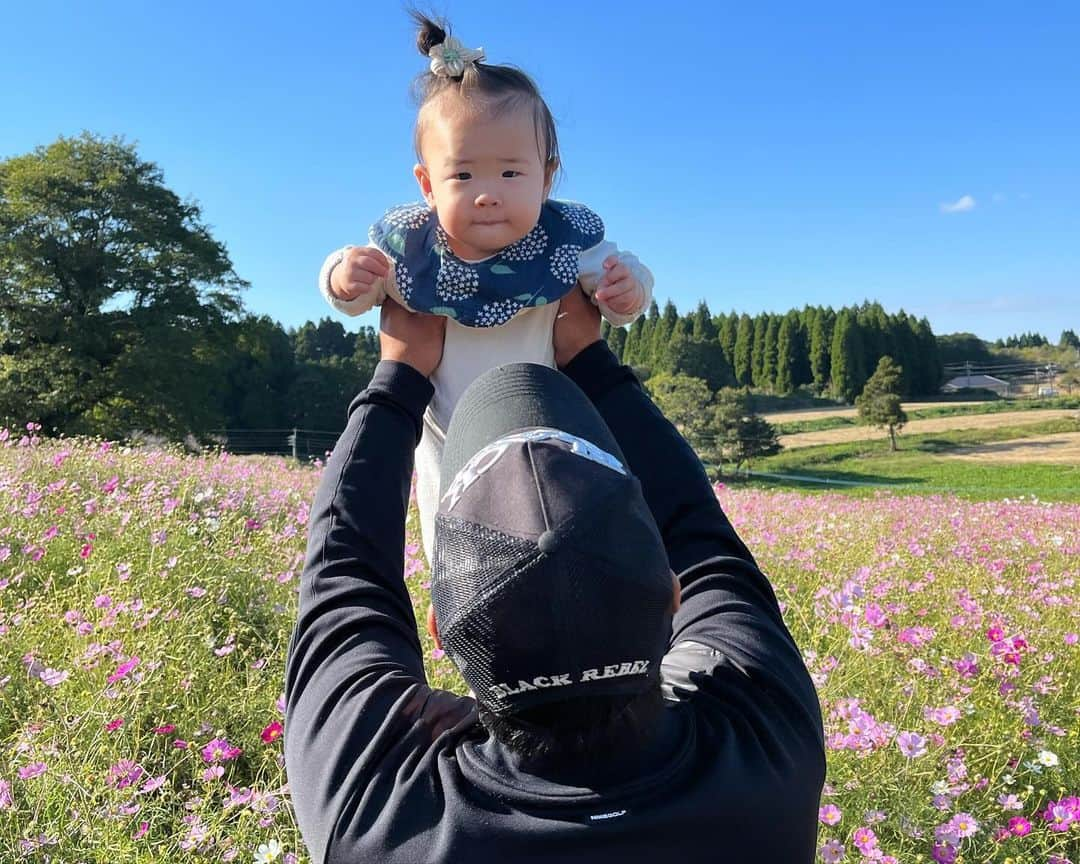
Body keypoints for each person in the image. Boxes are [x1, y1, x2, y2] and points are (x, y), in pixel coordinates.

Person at [284, 288, 826, 863]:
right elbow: (706, 543)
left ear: (441, 633)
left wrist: (398, 379)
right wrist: (593, 361)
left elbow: (343, 573)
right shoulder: (767, 753)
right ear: (673, 596)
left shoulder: (379, 821)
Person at [317, 13, 654, 561]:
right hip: (450, 442)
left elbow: (618, 273)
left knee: (557, 543)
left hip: (552, 435)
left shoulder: (562, 243)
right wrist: (343, 274)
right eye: (464, 175)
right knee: (456, 545)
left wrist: (627, 290)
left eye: (511, 174)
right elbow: (355, 290)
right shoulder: (414, 251)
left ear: (547, 178)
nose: (488, 194)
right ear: (427, 185)